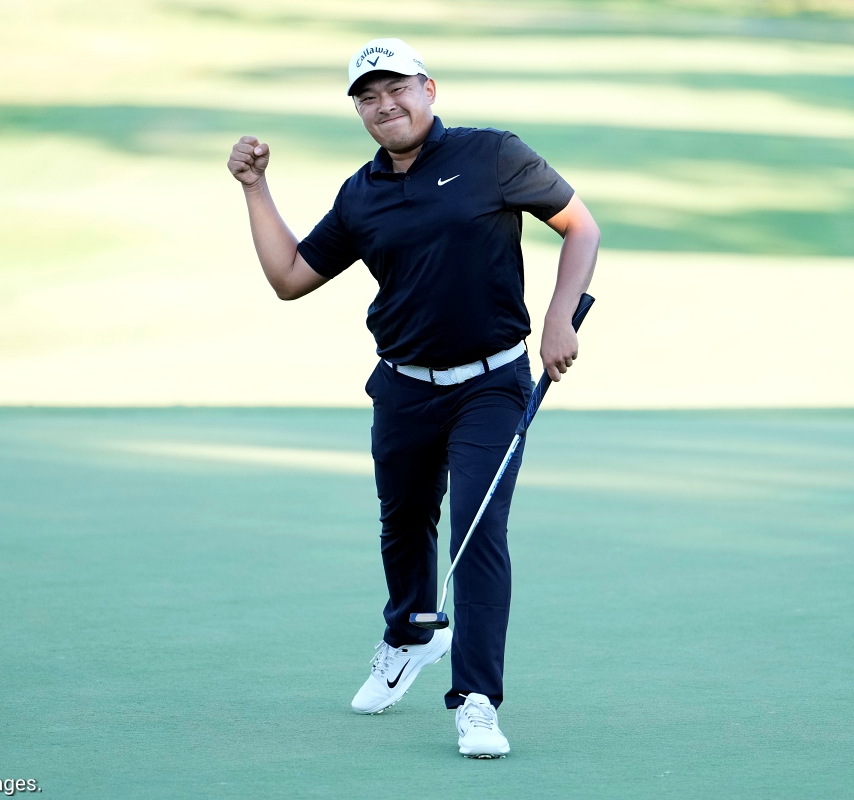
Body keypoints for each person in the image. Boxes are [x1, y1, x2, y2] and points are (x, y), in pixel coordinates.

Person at [226, 37, 599, 758]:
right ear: (359, 111)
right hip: (402, 385)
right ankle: (410, 635)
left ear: (429, 89)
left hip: (492, 382)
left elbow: (580, 226)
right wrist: (254, 187)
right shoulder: (361, 193)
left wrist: (560, 316)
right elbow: (291, 277)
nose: (385, 104)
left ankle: (477, 701)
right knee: (402, 524)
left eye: (397, 88)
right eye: (368, 96)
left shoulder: (492, 154)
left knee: (478, 532)